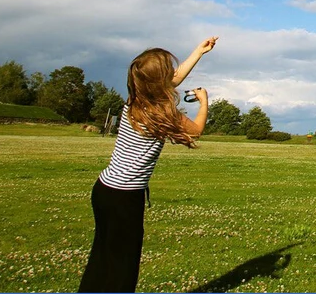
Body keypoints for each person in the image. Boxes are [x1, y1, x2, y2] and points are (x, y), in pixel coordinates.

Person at [78, 36, 218, 293]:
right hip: (125, 197)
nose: (173, 75)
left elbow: (174, 81)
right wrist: (204, 101)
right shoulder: (162, 113)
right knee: (123, 266)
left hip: (104, 189)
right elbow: (196, 131)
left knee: (102, 258)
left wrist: (199, 51)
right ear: (159, 82)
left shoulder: (135, 101)